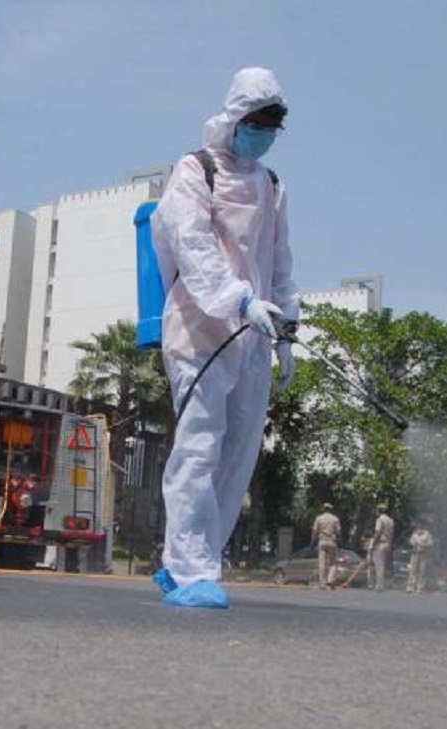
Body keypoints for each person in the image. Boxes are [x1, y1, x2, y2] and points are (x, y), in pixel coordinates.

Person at [149, 67, 298, 609]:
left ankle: (189, 561)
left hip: (252, 338)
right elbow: (192, 247)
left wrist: (286, 331)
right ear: (234, 118)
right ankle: (191, 570)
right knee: (199, 448)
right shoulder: (195, 170)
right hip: (198, 333)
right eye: (255, 122)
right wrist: (239, 299)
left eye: (271, 126)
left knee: (238, 456)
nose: (262, 133)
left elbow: (279, 263)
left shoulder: (272, 185)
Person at [311, 503, 341, 590]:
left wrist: (312, 542)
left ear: (323, 509)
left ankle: (322, 583)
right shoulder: (335, 519)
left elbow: (314, 531)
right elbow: (338, 532)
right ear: (331, 509)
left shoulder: (319, 518)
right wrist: (340, 542)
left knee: (322, 563)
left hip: (322, 541)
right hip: (332, 541)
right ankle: (330, 580)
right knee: (332, 563)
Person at [369, 503, 395, 591]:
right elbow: (391, 534)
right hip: (388, 543)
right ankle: (385, 583)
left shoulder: (380, 519)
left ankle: (379, 585)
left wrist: (373, 543)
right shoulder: (390, 520)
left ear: (378, 511)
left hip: (380, 543)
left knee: (379, 565)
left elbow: (378, 532)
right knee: (385, 564)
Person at [406, 523, 435, 594]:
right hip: (415, 554)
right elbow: (411, 542)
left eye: (420, 526)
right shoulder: (414, 534)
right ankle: (410, 587)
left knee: (422, 571)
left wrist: (424, 545)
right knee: (412, 571)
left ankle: (420, 587)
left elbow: (431, 543)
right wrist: (414, 544)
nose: (419, 527)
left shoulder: (427, 534)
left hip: (423, 554)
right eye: (418, 526)